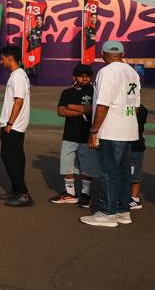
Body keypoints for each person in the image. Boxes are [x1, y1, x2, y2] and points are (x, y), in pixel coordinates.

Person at [81, 40, 142, 227]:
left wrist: (94, 130)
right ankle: (123, 211)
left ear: (102, 54)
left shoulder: (106, 72)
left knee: (109, 172)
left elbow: (103, 104)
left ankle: (107, 212)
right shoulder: (132, 72)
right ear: (122, 54)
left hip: (111, 130)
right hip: (129, 129)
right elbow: (136, 106)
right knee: (124, 173)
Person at [50, 64, 98, 206]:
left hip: (87, 135)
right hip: (69, 135)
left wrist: (71, 106)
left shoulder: (94, 91)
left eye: (87, 76)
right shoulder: (67, 92)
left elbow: (93, 109)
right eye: (81, 76)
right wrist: (82, 110)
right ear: (74, 77)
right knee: (67, 165)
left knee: (87, 167)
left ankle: (85, 195)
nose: (85, 78)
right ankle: (70, 194)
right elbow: (61, 111)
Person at [0, 45, 33, 207]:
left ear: (10, 58)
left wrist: (10, 123)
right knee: (13, 158)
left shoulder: (18, 76)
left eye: (2, 58)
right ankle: (16, 190)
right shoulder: (17, 75)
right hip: (13, 124)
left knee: (11, 158)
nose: (1, 61)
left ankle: (23, 193)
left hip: (14, 125)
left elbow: (19, 101)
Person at [130, 104, 148, 211]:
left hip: (136, 147)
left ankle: (134, 199)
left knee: (134, 174)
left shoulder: (142, 110)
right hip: (125, 146)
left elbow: (136, 126)